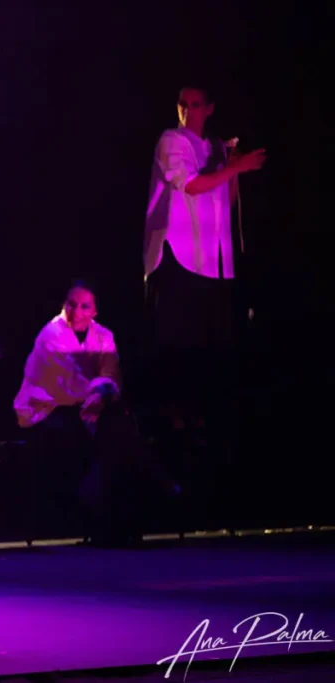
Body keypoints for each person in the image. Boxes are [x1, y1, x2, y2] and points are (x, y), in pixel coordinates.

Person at [143, 85, 266, 505]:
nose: (186, 110)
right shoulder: (171, 139)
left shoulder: (214, 146)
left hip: (215, 260)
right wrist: (237, 166)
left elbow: (226, 196)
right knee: (180, 352)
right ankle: (177, 439)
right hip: (180, 258)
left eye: (194, 104)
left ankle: (213, 448)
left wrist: (233, 167)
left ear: (209, 109)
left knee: (214, 354)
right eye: (182, 103)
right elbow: (190, 186)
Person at [14, 282, 178, 546]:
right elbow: (66, 380)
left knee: (113, 432)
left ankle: (108, 514)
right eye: (71, 304)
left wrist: (100, 396)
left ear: (94, 311)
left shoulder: (103, 336)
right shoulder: (50, 334)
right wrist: (99, 395)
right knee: (114, 429)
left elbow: (111, 373)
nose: (76, 311)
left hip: (91, 406)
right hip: (48, 407)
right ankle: (156, 480)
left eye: (84, 306)